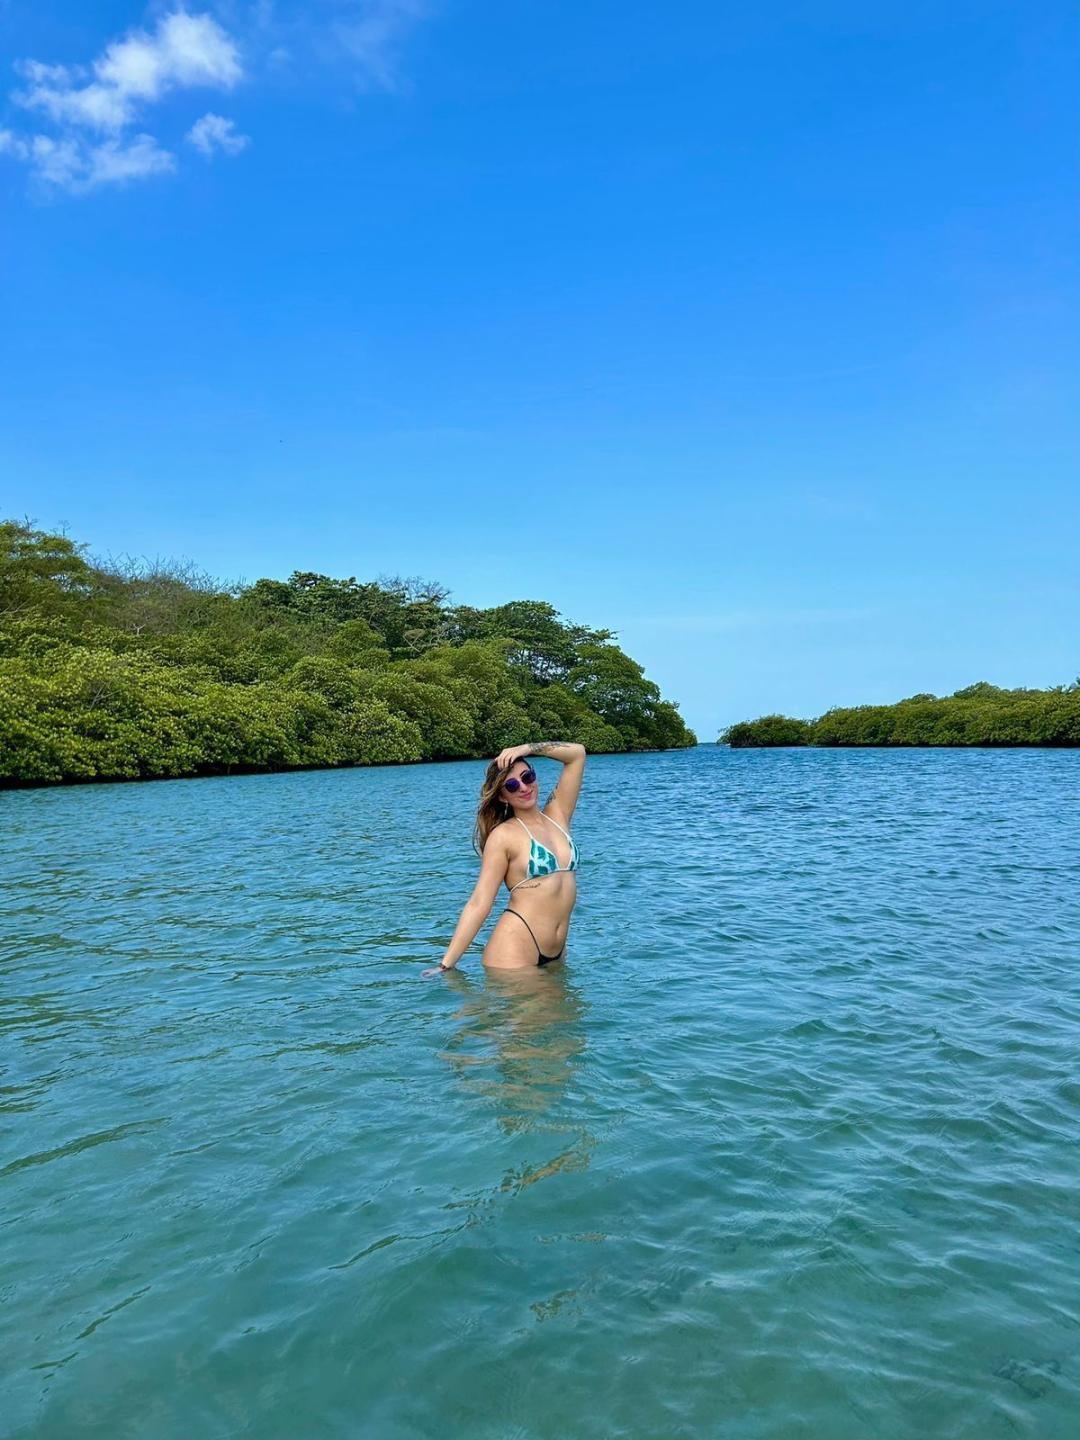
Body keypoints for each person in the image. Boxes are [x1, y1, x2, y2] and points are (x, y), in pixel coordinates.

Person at [423, 741, 586, 976]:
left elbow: (577, 754)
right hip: (515, 949)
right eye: (511, 785)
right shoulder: (503, 836)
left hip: (557, 953)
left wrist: (527, 749)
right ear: (502, 796)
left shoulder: (557, 815)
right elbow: (480, 902)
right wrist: (446, 964)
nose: (524, 787)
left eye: (527, 777)